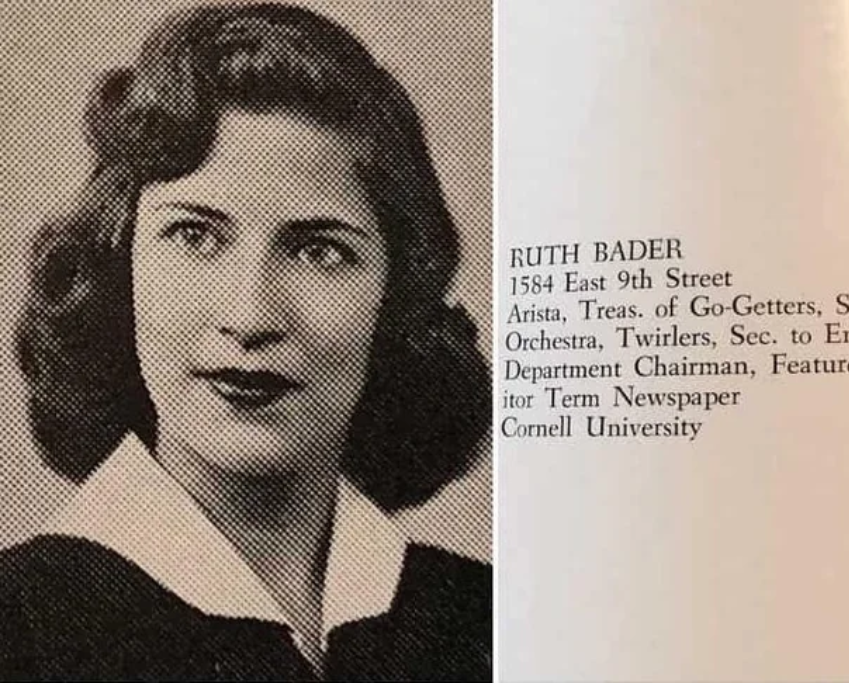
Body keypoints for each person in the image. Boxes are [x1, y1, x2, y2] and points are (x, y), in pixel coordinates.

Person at [0, 3, 491, 681]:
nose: (250, 314)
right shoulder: (19, 627)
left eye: (320, 250)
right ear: (121, 269)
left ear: (393, 297)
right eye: (194, 236)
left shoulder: (491, 619)